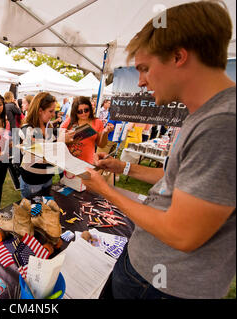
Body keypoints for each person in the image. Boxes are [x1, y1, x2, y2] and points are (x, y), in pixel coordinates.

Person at [81, 1, 235, 299]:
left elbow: (182, 233)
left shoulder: (223, 123)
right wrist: (123, 167)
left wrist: (106, 191)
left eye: (145, 68)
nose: (141, 81)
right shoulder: (208, 114)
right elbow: (177, 180)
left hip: (164, 287)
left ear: (179, 56)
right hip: (149, 273)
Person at [18, 92, 58, 199]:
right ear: (40, 111)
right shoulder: (27, 129)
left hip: (48, 177)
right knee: (34, 212)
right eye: (51, 111)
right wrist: (62, 141)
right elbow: (42, 149)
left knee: (43, 210)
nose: (53, 114)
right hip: (33, 181)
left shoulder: (48, 127)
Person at [60, 96, 114, 165]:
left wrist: (105, 132)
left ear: (90, 109)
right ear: (75, 112)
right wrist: (68, 137)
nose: (83, 113)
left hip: (87, 161)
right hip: (69, 160)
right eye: (79, 112)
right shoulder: (70, 120)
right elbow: (59, 138)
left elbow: (101, 145)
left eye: (86, 110)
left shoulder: (97, 122)